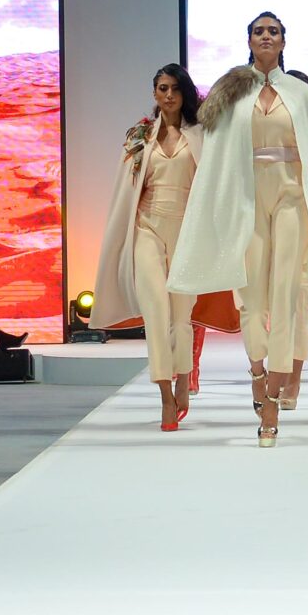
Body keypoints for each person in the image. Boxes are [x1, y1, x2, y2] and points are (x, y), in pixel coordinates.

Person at [170, 11, 308, 446]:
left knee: (285, 291)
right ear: (249, 40)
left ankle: (272, 401)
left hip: (291, 199)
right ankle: (258, 369)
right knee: (250, 297)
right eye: (260, 31)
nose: (267, 37)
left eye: (274, 31)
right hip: (247, 199)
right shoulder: (234, 92)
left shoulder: (300, 94)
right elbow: (218, 159)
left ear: (284, 41)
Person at [92, 63, 205, 431]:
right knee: (156, 312)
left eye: (174, 88)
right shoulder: (140, 136)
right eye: (161, 88)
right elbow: (126, 190)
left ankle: (184, 379)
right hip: (148, 228)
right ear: (154, 93)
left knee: (181, 317)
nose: (168, 95)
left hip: (188, 231)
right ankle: (166, 398)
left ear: (184, 92)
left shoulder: (202, 135)